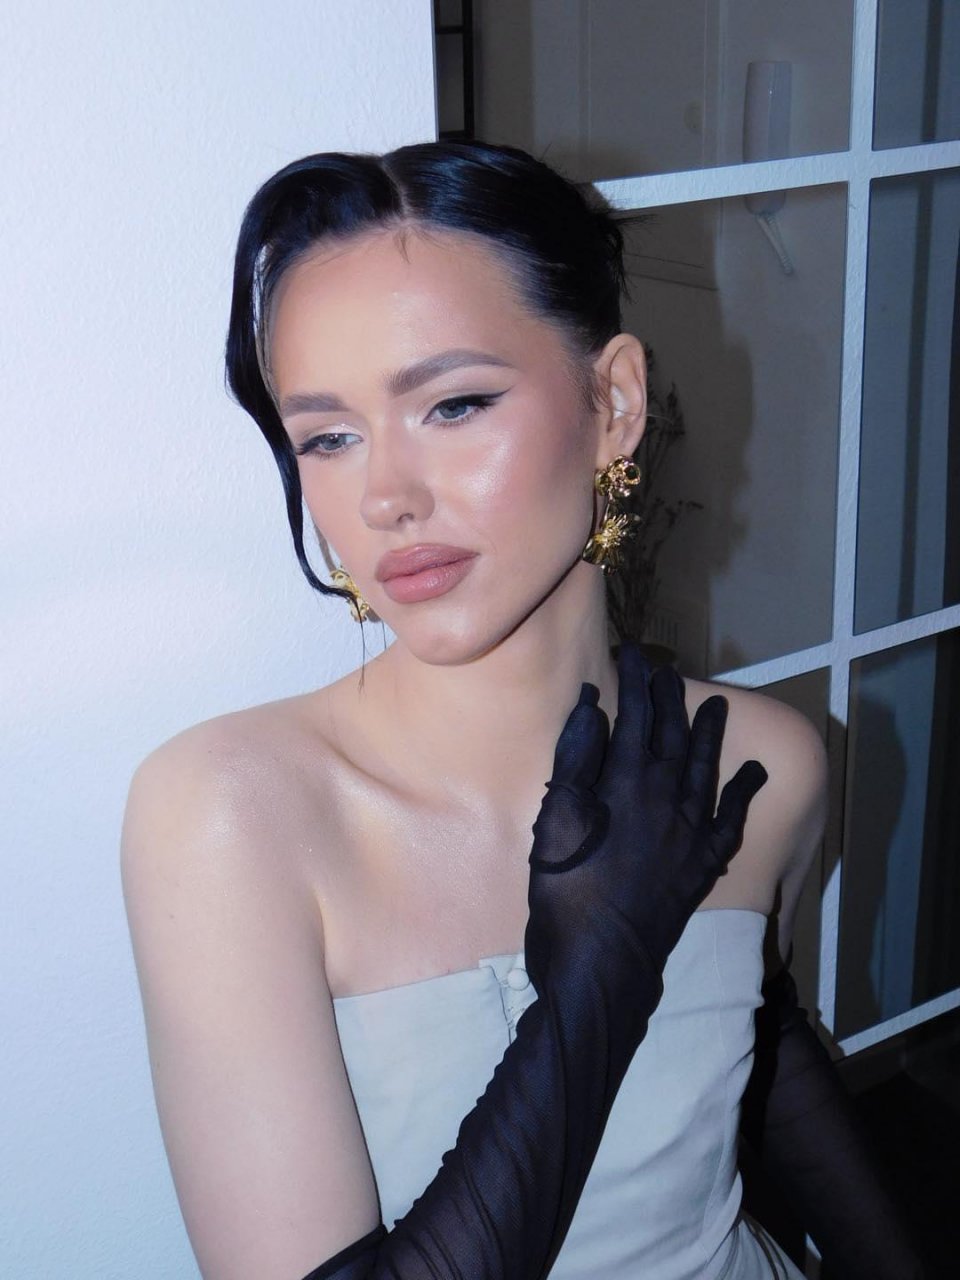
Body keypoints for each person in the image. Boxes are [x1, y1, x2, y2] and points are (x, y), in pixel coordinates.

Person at [122, 141, 924, 1280]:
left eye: (453, 404)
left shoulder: (766, 762)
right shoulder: (229, 816)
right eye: (329, 437)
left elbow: (753, 1049)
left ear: (614, 402)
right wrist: (599, 972)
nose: (386, 497)